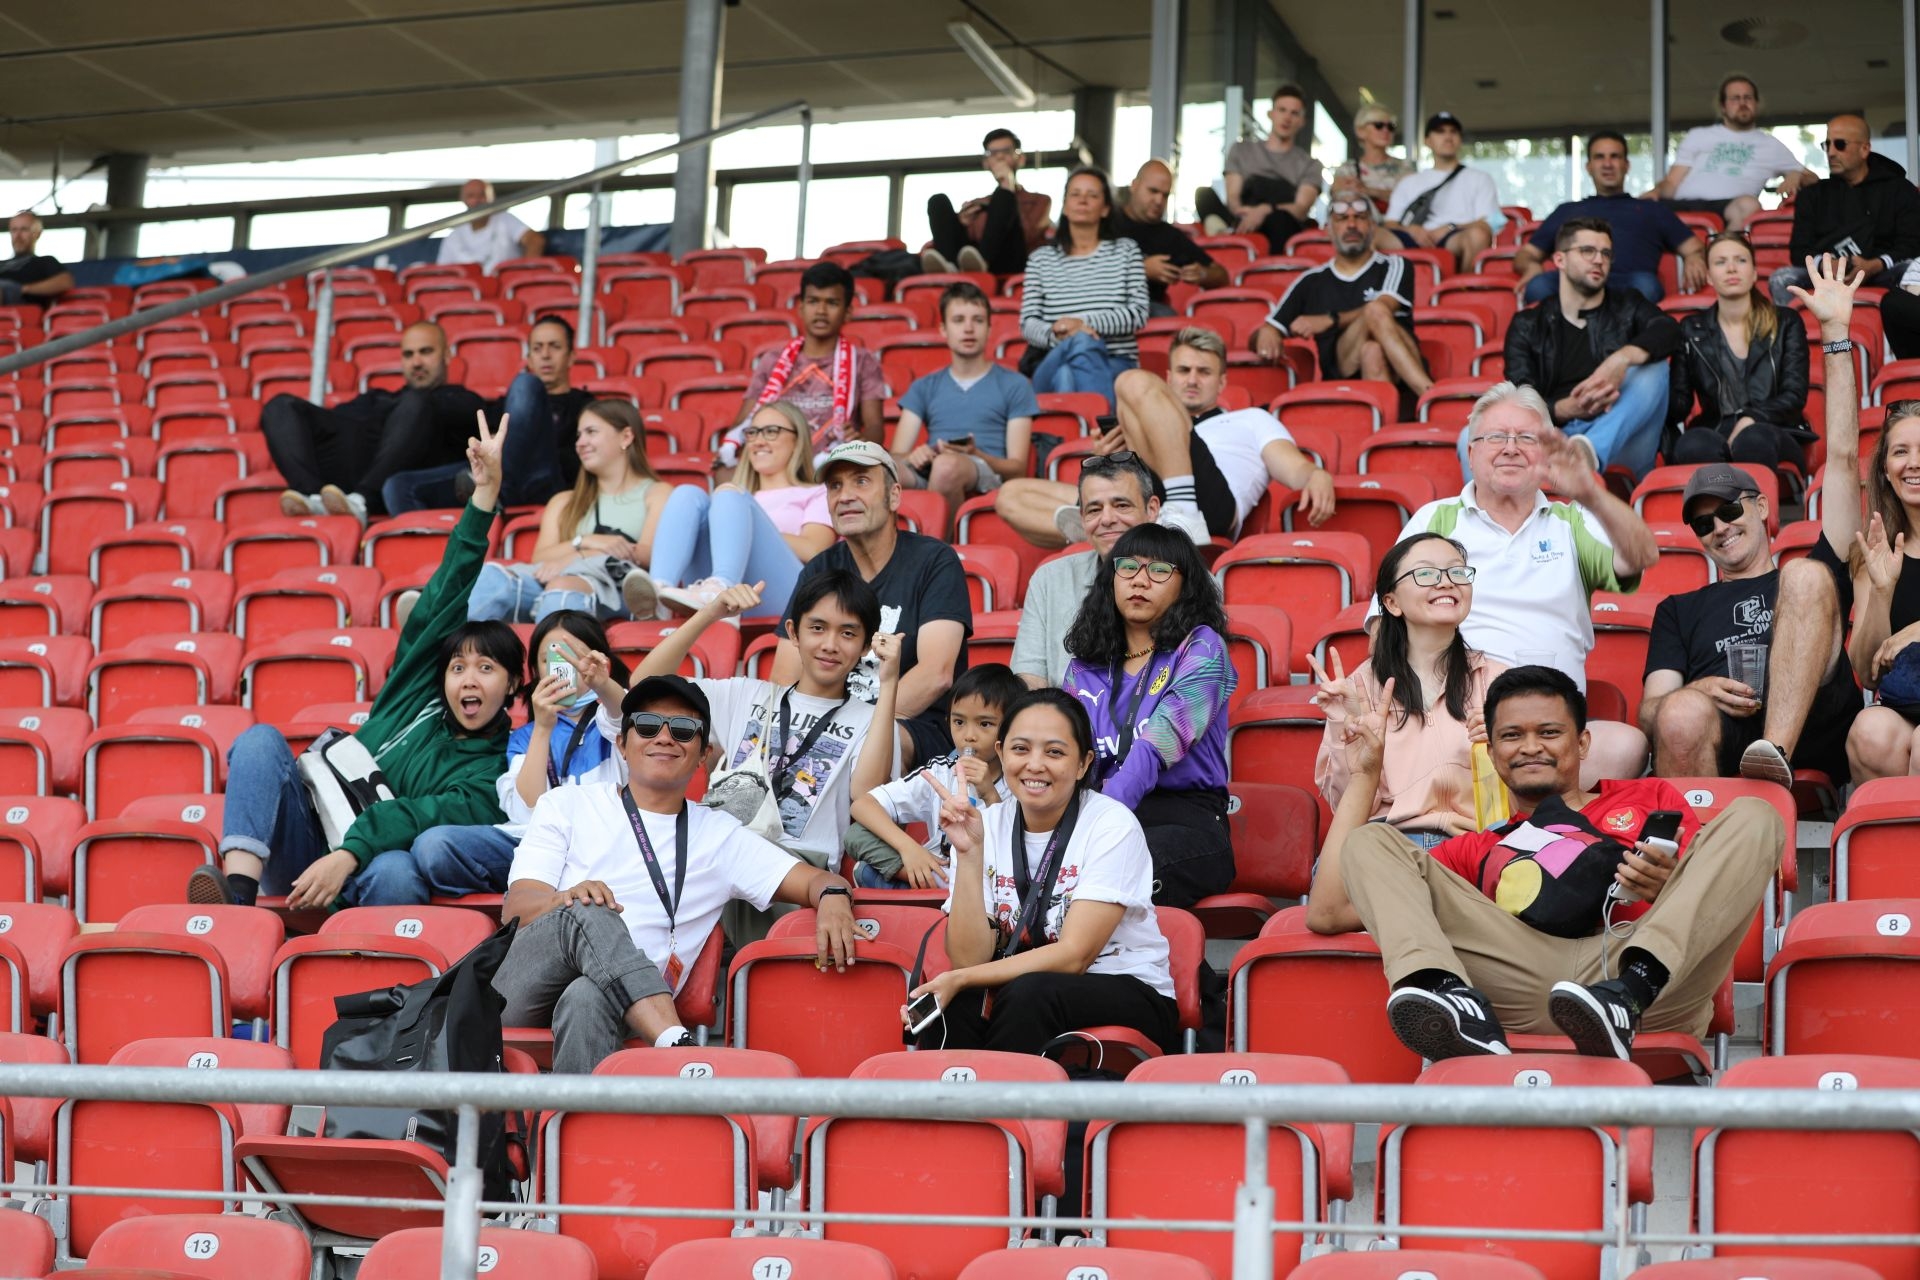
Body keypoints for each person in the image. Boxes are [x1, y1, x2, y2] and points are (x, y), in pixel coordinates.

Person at [1306, 664, 1780, 1061]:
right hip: (1521, 979)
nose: (1530, 746)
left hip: (1643, 981)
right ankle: (1448, 995)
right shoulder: (1477, 847)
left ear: (1583, 743)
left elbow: (1710, 887)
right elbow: (1327, 912)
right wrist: (1367, 774)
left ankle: (1628, 995)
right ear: (1493, 753)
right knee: (1371, 841)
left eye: (1549, 733)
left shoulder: (1648, 797)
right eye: (1512, 736)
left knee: (1757, 814)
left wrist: (1668, 884)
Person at [187, 411, 523, 910]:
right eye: (458, 667)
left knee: (397, 870)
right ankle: (238, 901)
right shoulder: (416, 695)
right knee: (258, 741)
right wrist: (483, 496)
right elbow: (446, 591)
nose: (467, 680)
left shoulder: (497, 771)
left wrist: (348, 855)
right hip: (306, 841)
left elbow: (418, 817)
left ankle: (357, 950)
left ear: (514, 683)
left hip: (369, 866)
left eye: (486, 668)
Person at [495, 672, 861, 1074]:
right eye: (647, 726)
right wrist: (567, 901)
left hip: (619, 1005)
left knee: (587, 995)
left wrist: (833, 897)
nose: (665, 738)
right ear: (622, 744)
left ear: (704, 754)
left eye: (683, 730)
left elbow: (816, 880)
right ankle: (676, 1045)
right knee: (588, 907)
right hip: (523, 988)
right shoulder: (566, 804)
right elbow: (517, 910)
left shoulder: (719, 836)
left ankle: (580, 1117)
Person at [1389, 381, 1656, 784]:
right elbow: (1386, 624)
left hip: (1551, 726)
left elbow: (1642, 556)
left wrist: (1591, 493)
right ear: (1471, 452)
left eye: (1526, 438)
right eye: (1496, 436)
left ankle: (1522, 815)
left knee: (1626, 746)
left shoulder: (1572, 520)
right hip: (1458, 721)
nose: (1511, 448)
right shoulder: (1435, 520)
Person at [902, 689, 1178, 1057]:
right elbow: (969, 958)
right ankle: (959, 1096)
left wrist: (962, 978)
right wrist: (968, 855)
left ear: (1083, 764)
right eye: (1020, 749)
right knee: (954, 1005)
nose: (1035, 765)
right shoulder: (984, 825)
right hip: (1022, 985)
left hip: (1125, 986)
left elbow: (1074, 956)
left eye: (1054, 752)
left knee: (1026, 993)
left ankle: (1006, 1095)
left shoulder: (1111, 825)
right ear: (1001, 753)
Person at [351, 612, 630, 905]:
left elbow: (624, 716)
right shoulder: (524, 736)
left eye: (575, 656)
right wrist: (543, 728)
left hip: (605, 843)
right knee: (432, 846)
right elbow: (526, 813)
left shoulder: (614, 722)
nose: (564, 667)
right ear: (536, 672)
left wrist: (604, 685)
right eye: (551, 659)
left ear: (599, 662)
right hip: (534, 846)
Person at [614, 574, 880, 874]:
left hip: (801, 871)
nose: (830, 644)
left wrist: (892, 680)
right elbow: (644, 683)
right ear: (793, 632)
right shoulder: (745, 694)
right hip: (724, 856)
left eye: (847, 633)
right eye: (817, 628)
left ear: (866, 645)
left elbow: (868, 795)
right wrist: (710, 613)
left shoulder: (872, 721)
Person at [997, 327, 1333, 550]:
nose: (1192, 380)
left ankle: (1181, 515)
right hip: (1150, 500)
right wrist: (1109, 460)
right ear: (1169, 378)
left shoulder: (1251, 419)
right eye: (1184, 371)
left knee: (1129, 381)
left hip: (1207, 508)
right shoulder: (1142, 420)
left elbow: (1292, 467)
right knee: (1010, 495)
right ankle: (1112, 534)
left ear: (1222, 383)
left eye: (1204, 372)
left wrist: (1315, 474)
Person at [1642, 453, 1861, 786]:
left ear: (1761, 507)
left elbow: (1844, 463)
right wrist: (1697, 690)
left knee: (1805, 575)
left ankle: (1773, 752)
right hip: (1720, 738)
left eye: (1729, 510)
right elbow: (1648, 715)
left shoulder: (1808, 577)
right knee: (1679, 709)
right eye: (1704, 524)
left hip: (1811, 728)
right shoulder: (1677, 610)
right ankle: (1699, 820)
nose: (1720, 528)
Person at [772, 441, 972, 774]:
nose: (845, 496)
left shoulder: (934, 561)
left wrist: (851, 730)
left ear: (894, 496)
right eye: (835, 486)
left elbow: (935, 675)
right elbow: (784, 676)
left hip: (915, 726)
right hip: (828, 723)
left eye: (861, 481)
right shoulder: (819, 569)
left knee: (878, 745)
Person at [1062, 523, 1235, 907]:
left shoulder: (1202, 648)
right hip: (1102, 818)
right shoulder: (1083, 667)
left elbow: (1159, 741)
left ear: (1185, 586)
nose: (1140, 580)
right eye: (1128, 567)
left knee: (1112, 868)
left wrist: (1096, 825)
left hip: (1187, 821)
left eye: (1159, 570)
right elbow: (1068, 754)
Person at [1315, 533, 1506, 847]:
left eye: (1456, 571)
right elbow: (1346, 810)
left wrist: (1504, 748)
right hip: (1389, 844)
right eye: (1426, 573)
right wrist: (1342, 726)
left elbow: (1528, 797)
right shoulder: (1359, 687)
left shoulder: (1498, 682)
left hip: (1473, 845)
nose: (1446, 582)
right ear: (1392, 603)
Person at [1502, 218, 1684, 480]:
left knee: (1653, 369)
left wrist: (1621, 359)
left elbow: (1669, 330)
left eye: (1606, 253)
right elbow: (1521, 396)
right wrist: (1565, 408)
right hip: (1555, 438)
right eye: (1588, 251)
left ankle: (1589, 452)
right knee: (1469, 438)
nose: (1599, 260)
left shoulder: (1629, 304)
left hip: (1624, 439)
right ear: (1560, 259)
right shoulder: (1528, 324)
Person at [268, 320, 487, 525]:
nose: (416, 362)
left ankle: (362, 500)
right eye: (408, 355)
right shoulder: (376, 399)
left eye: (426, 352)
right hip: (343, 481)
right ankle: (313, 498)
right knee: (280, 406)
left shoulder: (465, 402)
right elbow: (334, 424)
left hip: (398, 490)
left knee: (416, 401)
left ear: (447, 355)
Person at [466, 399, 664, 624]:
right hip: (552, 580)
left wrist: (581, 556)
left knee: (562, 590)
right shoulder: (563, 501)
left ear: (626, 437)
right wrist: (586, 542)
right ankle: (447, 641)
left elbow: (650, 555)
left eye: (591, 432)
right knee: (491, 576)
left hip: (617, 588)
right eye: (578, 435)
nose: (580, 443)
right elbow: (540, 559)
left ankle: (555, 648)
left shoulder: (656, 493)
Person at [383, 317, 597, 514]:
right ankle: (440, 544)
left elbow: (581, 462)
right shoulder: (505, 404)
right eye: (537, 348)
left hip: (546, 480)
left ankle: (498, 488)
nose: (546, 355)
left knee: (526, 383)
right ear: (529, 358)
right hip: (487, 475)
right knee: (398, 486)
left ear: (571, 357)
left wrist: (530, 445)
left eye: (555, 346)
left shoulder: (585, 407)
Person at [846, 660, 1025, 890]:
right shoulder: (941, 771)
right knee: (858, 834)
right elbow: (862, 805)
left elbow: (1017, 849)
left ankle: (913, 887)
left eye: (985, 724)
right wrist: (909, 849)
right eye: (959, 722)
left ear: (1011, 727)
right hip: (938, 867)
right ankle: (931, 884)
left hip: (989, 878)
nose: (968, 735)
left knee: (867, 872)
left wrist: (989, 794)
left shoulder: (1020, 778)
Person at [646, 400, 834, 619]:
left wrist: (746, 529)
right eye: (752, 433)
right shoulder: (733, 500)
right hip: (719, 587)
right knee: (687, 493)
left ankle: (721, 586)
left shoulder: (817, 492)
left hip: (790, 595)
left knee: (729, 494)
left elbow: (814, 549)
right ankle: (656, 593)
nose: (759, 441)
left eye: (771, 431)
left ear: (797, 440)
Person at [1252, 182, 1431, 400]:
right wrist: (1268, 332)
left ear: (1373, 227)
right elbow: (1261, 333)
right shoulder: (1311, 281)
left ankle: (1420, 397)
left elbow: (1383, 306)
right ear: (1328, 230)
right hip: (1343, 369)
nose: (1352, 224)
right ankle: (1430, 396)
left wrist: (1330, 320)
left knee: (1372, 348)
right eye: (1342, 219)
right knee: (1372, 323)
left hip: (1398, 373)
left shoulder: (1395, 265)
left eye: (1360, 217)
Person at [1011, 451, 1164, 690]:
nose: (1107, 519)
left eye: (1122, 505)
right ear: (1082, 518)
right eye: (1094, 510)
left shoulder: (1187, 579)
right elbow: (1028, 677)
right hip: (1062, 713)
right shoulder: (1050, 580)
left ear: (1151, 509)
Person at [890, 283, 1037, 524]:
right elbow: (895, 456)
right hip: (931, 466)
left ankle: (935, 547)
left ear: (989, 329)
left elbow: (1017, 467)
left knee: (946, 466)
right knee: (875, 467)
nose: (969, 328)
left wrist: (976, 454)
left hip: (985, 472)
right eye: (958, 320)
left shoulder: (1016, 384)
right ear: (943, 329)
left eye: (978, 320)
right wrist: (914, 456)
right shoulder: (923, 386)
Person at [1666, 231, 1810, 474]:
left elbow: (1794, 395)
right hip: (1716, 429)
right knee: (1692, 444)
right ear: (1709, 276)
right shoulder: (1691, 329)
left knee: (1752, 439)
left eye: (1740, 260)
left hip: (1775, 428)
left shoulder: (1786, 321)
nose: (1731, 268)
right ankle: (1718, 501)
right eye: (1720, 262)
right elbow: (1679, 405)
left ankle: (1754, 501)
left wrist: (1751, 418)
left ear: (1754, 272)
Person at [723, 261, 885, 464]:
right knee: (724, 469)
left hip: (831, 464)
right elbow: (744, 421)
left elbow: (875, 427)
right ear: (801, 308)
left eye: (832, 303)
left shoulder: (863, 361)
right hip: (777, 466)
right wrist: (729, 450)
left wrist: (859, 443)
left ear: (848, 312)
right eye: (813, 301)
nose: (821, 311)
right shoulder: (773, 360)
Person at [1514, 133, 1706, 304]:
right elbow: (1527, 254)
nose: (1607, 164)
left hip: (1628, 285)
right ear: (1589, 167)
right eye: (1599, 157)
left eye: (1615, 156)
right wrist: (1531, 267)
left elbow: (1694, 246)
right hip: (1575, 285)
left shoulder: (1651, 209)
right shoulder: (1566, 210)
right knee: (1539, 285)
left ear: (1626, 165)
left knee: (1646, 285)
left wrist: (1694, 257)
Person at [1019, 167, 1149, 411]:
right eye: (1075, 194)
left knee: (1067, 374)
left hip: (1116, 362)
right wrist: (1061, 334)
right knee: (1079, 346)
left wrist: (1081, 324)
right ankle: (1103, 427)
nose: (1083, 200)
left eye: (1092, 195)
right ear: (1065, 206)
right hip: (1052, 358)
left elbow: (1138, 313)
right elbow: (1028, 323)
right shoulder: (1041, 259)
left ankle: (1073, 434)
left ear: (1106, 208)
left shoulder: (1126, 251)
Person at [1773, 114, 1920, 305]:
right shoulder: (1813, 194)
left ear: (1864, 149)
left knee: (1916, 271)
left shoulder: (1900, 189)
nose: (1831, 152)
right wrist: (1827, 265)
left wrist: (1875, 265)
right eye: (1827, 145)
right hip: (1826, 277)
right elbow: (1799, 250)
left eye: (1840, 144)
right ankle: (1791, 327)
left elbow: (1911, 244)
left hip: (1883, 271)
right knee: (1782, 279)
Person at [1647, 75, 1816, 232]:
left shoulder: (1770, 145)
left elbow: (1815, 180)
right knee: (1641, 209)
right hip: (1683, 205)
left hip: (1731, 208)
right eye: (1735, 98)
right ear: (1723, 106)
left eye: (1747, 97)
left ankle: (1722, 251)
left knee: (1749, 205)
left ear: (1756, 103)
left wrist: (1797, 175)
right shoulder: (1698, 135)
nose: (1742, 103)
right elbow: (1672, 182)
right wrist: (1655, 192)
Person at [1199, 84, 1325, 250]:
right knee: (1203, 194)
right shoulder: (1241, 150)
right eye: (1282, 110)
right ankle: (1225, 234)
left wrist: (1264, 211)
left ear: (1302, 122)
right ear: (1271, 114)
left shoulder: (1310, 165)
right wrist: (1244, 213)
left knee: (1280, 219)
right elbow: (1233, 196)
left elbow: (1300, 209)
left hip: (1279, 221)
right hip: (1242, 215)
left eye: (1294, 113)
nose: (1287, 118)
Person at [922, 128, 1054, 276]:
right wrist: (963, 224)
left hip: (1012, 260)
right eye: (993, 153)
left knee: (1003, 196)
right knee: (938, 200)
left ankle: (983, 261)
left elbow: (1028, 236)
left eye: (1006, 151)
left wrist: (1007, 186)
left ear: (1021, 158)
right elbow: (969, 247)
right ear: (986, 163)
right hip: (972, 260)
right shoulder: (979, 203)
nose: (1000, 157)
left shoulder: (1039, 201)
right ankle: (949, 265)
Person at [1380, 112, 1502, 272]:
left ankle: (1465, 286)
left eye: (1453, 131)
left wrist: (1451, 227)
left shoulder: (1480, 178)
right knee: (1369, 234)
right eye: (1440, 131)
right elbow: (1390, 224)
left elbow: (1490, 222)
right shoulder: (1409, 182)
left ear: (1460, 139)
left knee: (1479, 235)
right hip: (1412, 239)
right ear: (1427, 141)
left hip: (1456, 237)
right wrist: (1411, 230)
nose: (1448, 137)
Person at [1113, 159, 1228, 315]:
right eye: (1153, 191)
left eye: (1165, 195)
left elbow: (1222, 276)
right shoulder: (1106, 223)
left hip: (1148, 309)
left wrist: (1202, 274)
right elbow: (1086, 267)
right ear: (1134, 185)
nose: (1159, 200)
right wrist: (1141, 269)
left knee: (1167, 315)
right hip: (1101, 302)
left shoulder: (1169, 236)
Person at [437, 179, 544, 272]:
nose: (477, 200)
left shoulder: (505, 219)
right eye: (471, 196)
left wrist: (524, 274)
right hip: (468, 287)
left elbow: (535, 241)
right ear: (463, 199)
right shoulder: (454, 236)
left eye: (482, 195)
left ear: (492, 197)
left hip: (505, 286)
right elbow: (443, 272)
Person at [1338, 103, 1416, 216]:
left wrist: (1371, 191)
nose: (1386, 130)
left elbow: (1413, 200)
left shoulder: (1405, 168)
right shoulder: (1347, 169)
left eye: (1391, 127)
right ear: (1360, 131)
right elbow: (1338, 198)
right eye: (1378, 125)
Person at [0, 212, 72, 307]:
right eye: (14, 230)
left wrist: (23, 289)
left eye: (24, 229)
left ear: (37, 234)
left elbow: (65, 282)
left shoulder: (45, 261)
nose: (18, 236)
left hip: (21, 307)